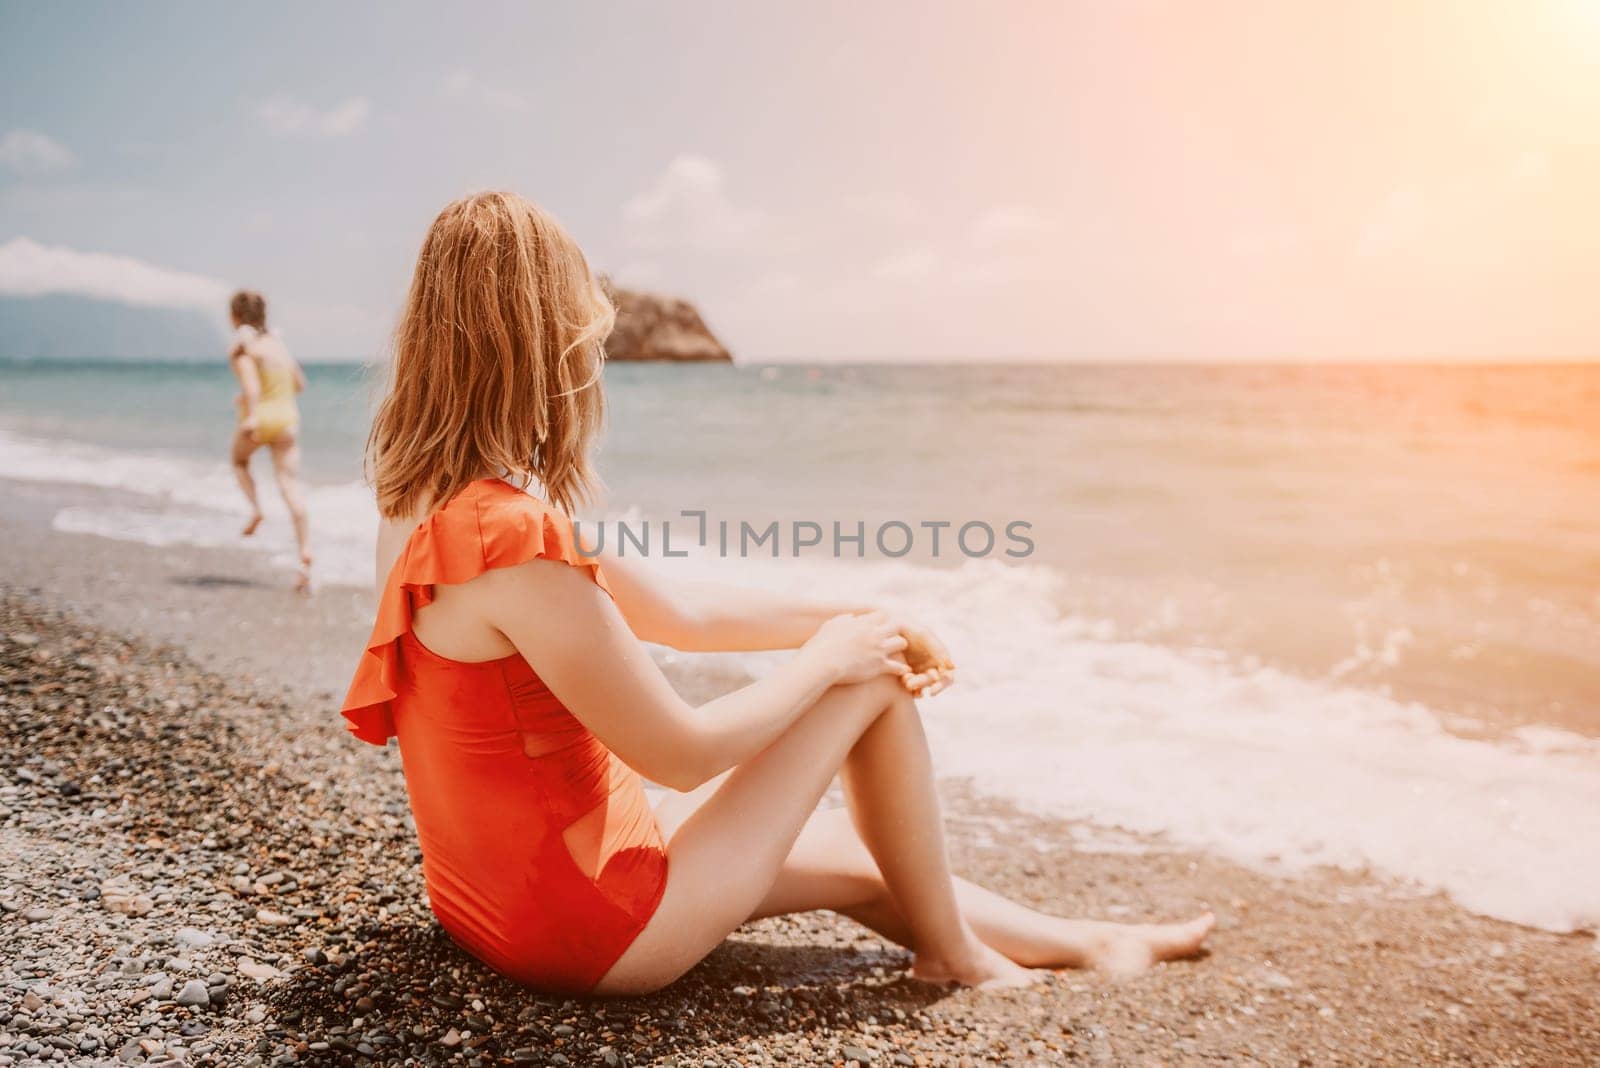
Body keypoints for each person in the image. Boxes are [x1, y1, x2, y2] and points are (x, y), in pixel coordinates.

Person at [343, 191, 1213, 996]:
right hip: (590, 928)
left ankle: (1092, 941)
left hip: (489, 898)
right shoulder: (510, 539)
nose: (594, 357)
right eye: (585, 337)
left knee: (867, 859)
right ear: (542, 344)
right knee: (869, 682)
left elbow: (684, 615)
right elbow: (679, 754)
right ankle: (952, 956)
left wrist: (859, 615)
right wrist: (835, 656)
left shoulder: (420, 501)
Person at [226, 289, 312, 591]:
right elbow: (300, 384)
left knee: (238, 461)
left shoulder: (243, 347)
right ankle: (304, 555)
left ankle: (256, 509)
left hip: (260, 417)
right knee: (290, 486)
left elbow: (251, 385)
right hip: (287, 419)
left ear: (234, 316)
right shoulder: (278, 345)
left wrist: (250, 412)